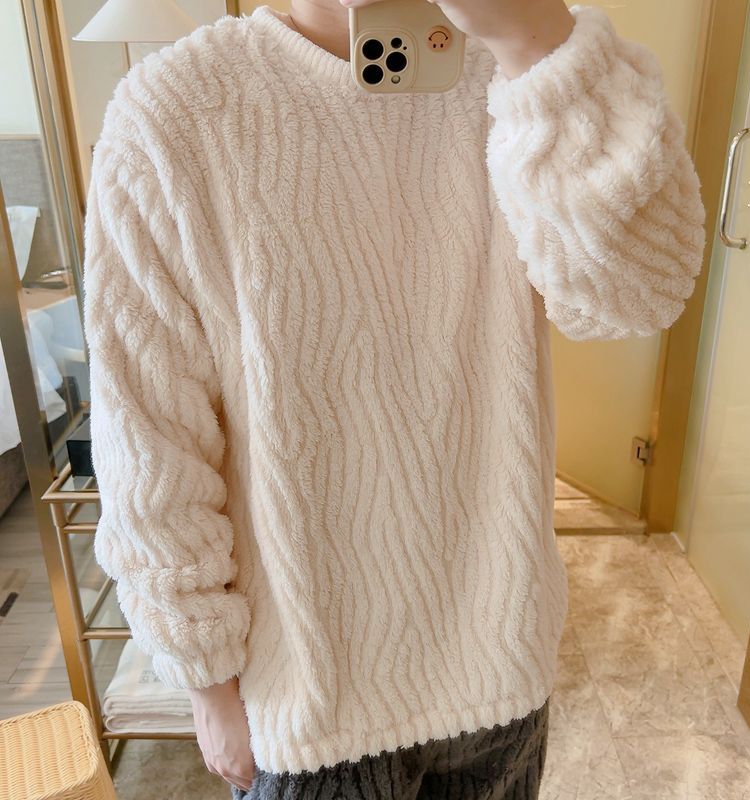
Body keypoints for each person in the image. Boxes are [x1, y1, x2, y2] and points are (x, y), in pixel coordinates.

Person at [81, 0, 706, 797]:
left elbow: (642, 294)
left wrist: (539, 41)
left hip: (500, 675)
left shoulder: (520, 65)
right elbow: (150, 436)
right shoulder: (175, 112)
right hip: (310, 705)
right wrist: (203, 674)